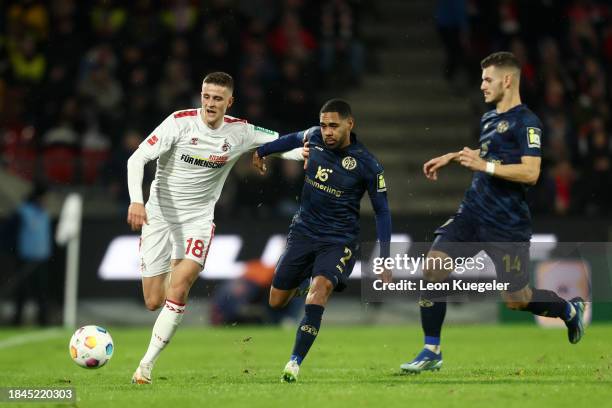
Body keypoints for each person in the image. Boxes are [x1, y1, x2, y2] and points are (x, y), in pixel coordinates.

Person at [400, 52, 586, 374]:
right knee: (433, 267)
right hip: (473, 213)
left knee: (516, 299)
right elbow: (487, 155)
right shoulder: (488, 119)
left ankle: (568, 310)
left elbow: (530, 173)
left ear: (508, 80)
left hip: (507, 225)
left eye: (488, 79)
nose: (482, 85)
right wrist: (454, 156)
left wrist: (483, 164)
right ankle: (432, 349)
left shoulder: (528, 122)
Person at [126, 72, 301, 384]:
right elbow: (136, 159)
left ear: (228, 102)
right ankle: (168, 267)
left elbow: (281, 143)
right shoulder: (178, 123)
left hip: (198, 221)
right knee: (153, 301)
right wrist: (136, 202)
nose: (210, 103)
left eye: (217, 98)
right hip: (159, 216)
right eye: (206, 96)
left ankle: (146, 366)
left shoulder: (240, 131)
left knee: (179, 287)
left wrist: (309, 151)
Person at [253, 98, 392, 382]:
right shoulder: (313, 137)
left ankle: (294, 362)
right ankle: (308, 281)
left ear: (349, 124)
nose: (327, 131)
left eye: (334, 126)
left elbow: (382, 211)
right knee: (277, 300)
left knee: (320, 291)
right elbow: (292, 138)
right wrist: (263, 150)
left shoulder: (368, 165)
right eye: (324, 125)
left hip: (338, 240)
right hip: (303, 232)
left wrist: (385, 256)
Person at [9, 183, 52, 326]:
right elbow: (11, 234)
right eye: (45, 198)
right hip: (26, 259)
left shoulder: (44, 213)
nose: (47, 201)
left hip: (41, 260)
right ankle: (17, 321)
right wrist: (15, 253)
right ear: (38, 197)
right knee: (22, 293)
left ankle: (43, 321)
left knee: (42, 292)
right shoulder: (23, 212)